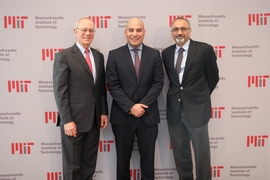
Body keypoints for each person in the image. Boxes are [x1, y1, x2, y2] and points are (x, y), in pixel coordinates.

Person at [106, 17, 164, 180]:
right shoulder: (114, 55)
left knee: (148, 162)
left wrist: (142, 105)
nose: (135, 33)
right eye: (131, 30)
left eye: (138, 30)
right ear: (125, 33)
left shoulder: (154, 55)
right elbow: (113, 85)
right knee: (122, 162)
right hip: (123, 116)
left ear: (144, 33)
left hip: (148, 116)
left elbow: (158, 83)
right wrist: (131, 107)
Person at [162, 17, 219, 180]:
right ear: (172, 32)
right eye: (175, 29)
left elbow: (213, 78)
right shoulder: (165, 53)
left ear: (190, 31)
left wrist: (199, 98)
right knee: (181, 156)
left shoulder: (204, 49)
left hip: (197, 111)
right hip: (175, 112)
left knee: (202, 156)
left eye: (183, 28)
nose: (179, 32)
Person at [53, 17, 108, 180]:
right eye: (84, 30)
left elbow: (100, 89)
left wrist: (103, 112)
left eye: (91, 30)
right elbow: (60, 91)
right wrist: (67, 120)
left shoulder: (98, 56)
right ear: (75, 32)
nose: (87, 33)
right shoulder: (64, 56)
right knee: (72, 168)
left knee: (89, 166)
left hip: (94, 121)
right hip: (73, 122)